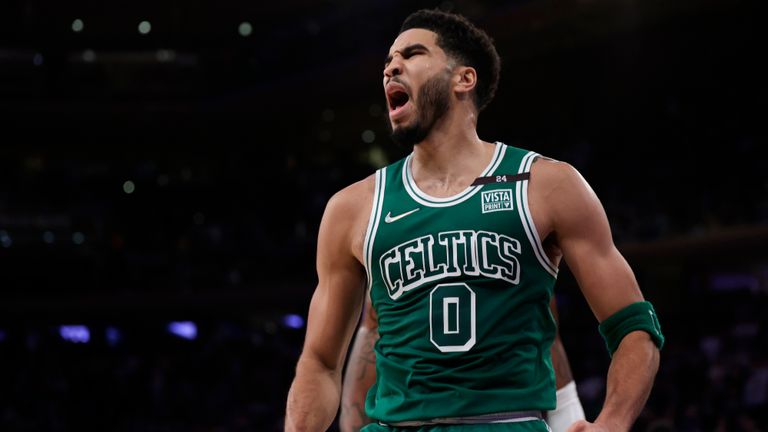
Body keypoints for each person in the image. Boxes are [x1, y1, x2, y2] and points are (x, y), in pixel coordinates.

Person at [285, 8, 664, 432]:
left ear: (464, 78)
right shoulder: (352, 207)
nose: (392, 67)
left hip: (505, 421)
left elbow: (634, 326)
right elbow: (319, 362)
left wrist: (612, 422)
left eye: (412, 54)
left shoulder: (547, 184)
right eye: (389, 60)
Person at [340, 297, 586, 432]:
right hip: (410, 420)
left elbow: (547, 340)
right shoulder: (385, 237)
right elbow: (371, 334)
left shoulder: (520, 236)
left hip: (500, 420)